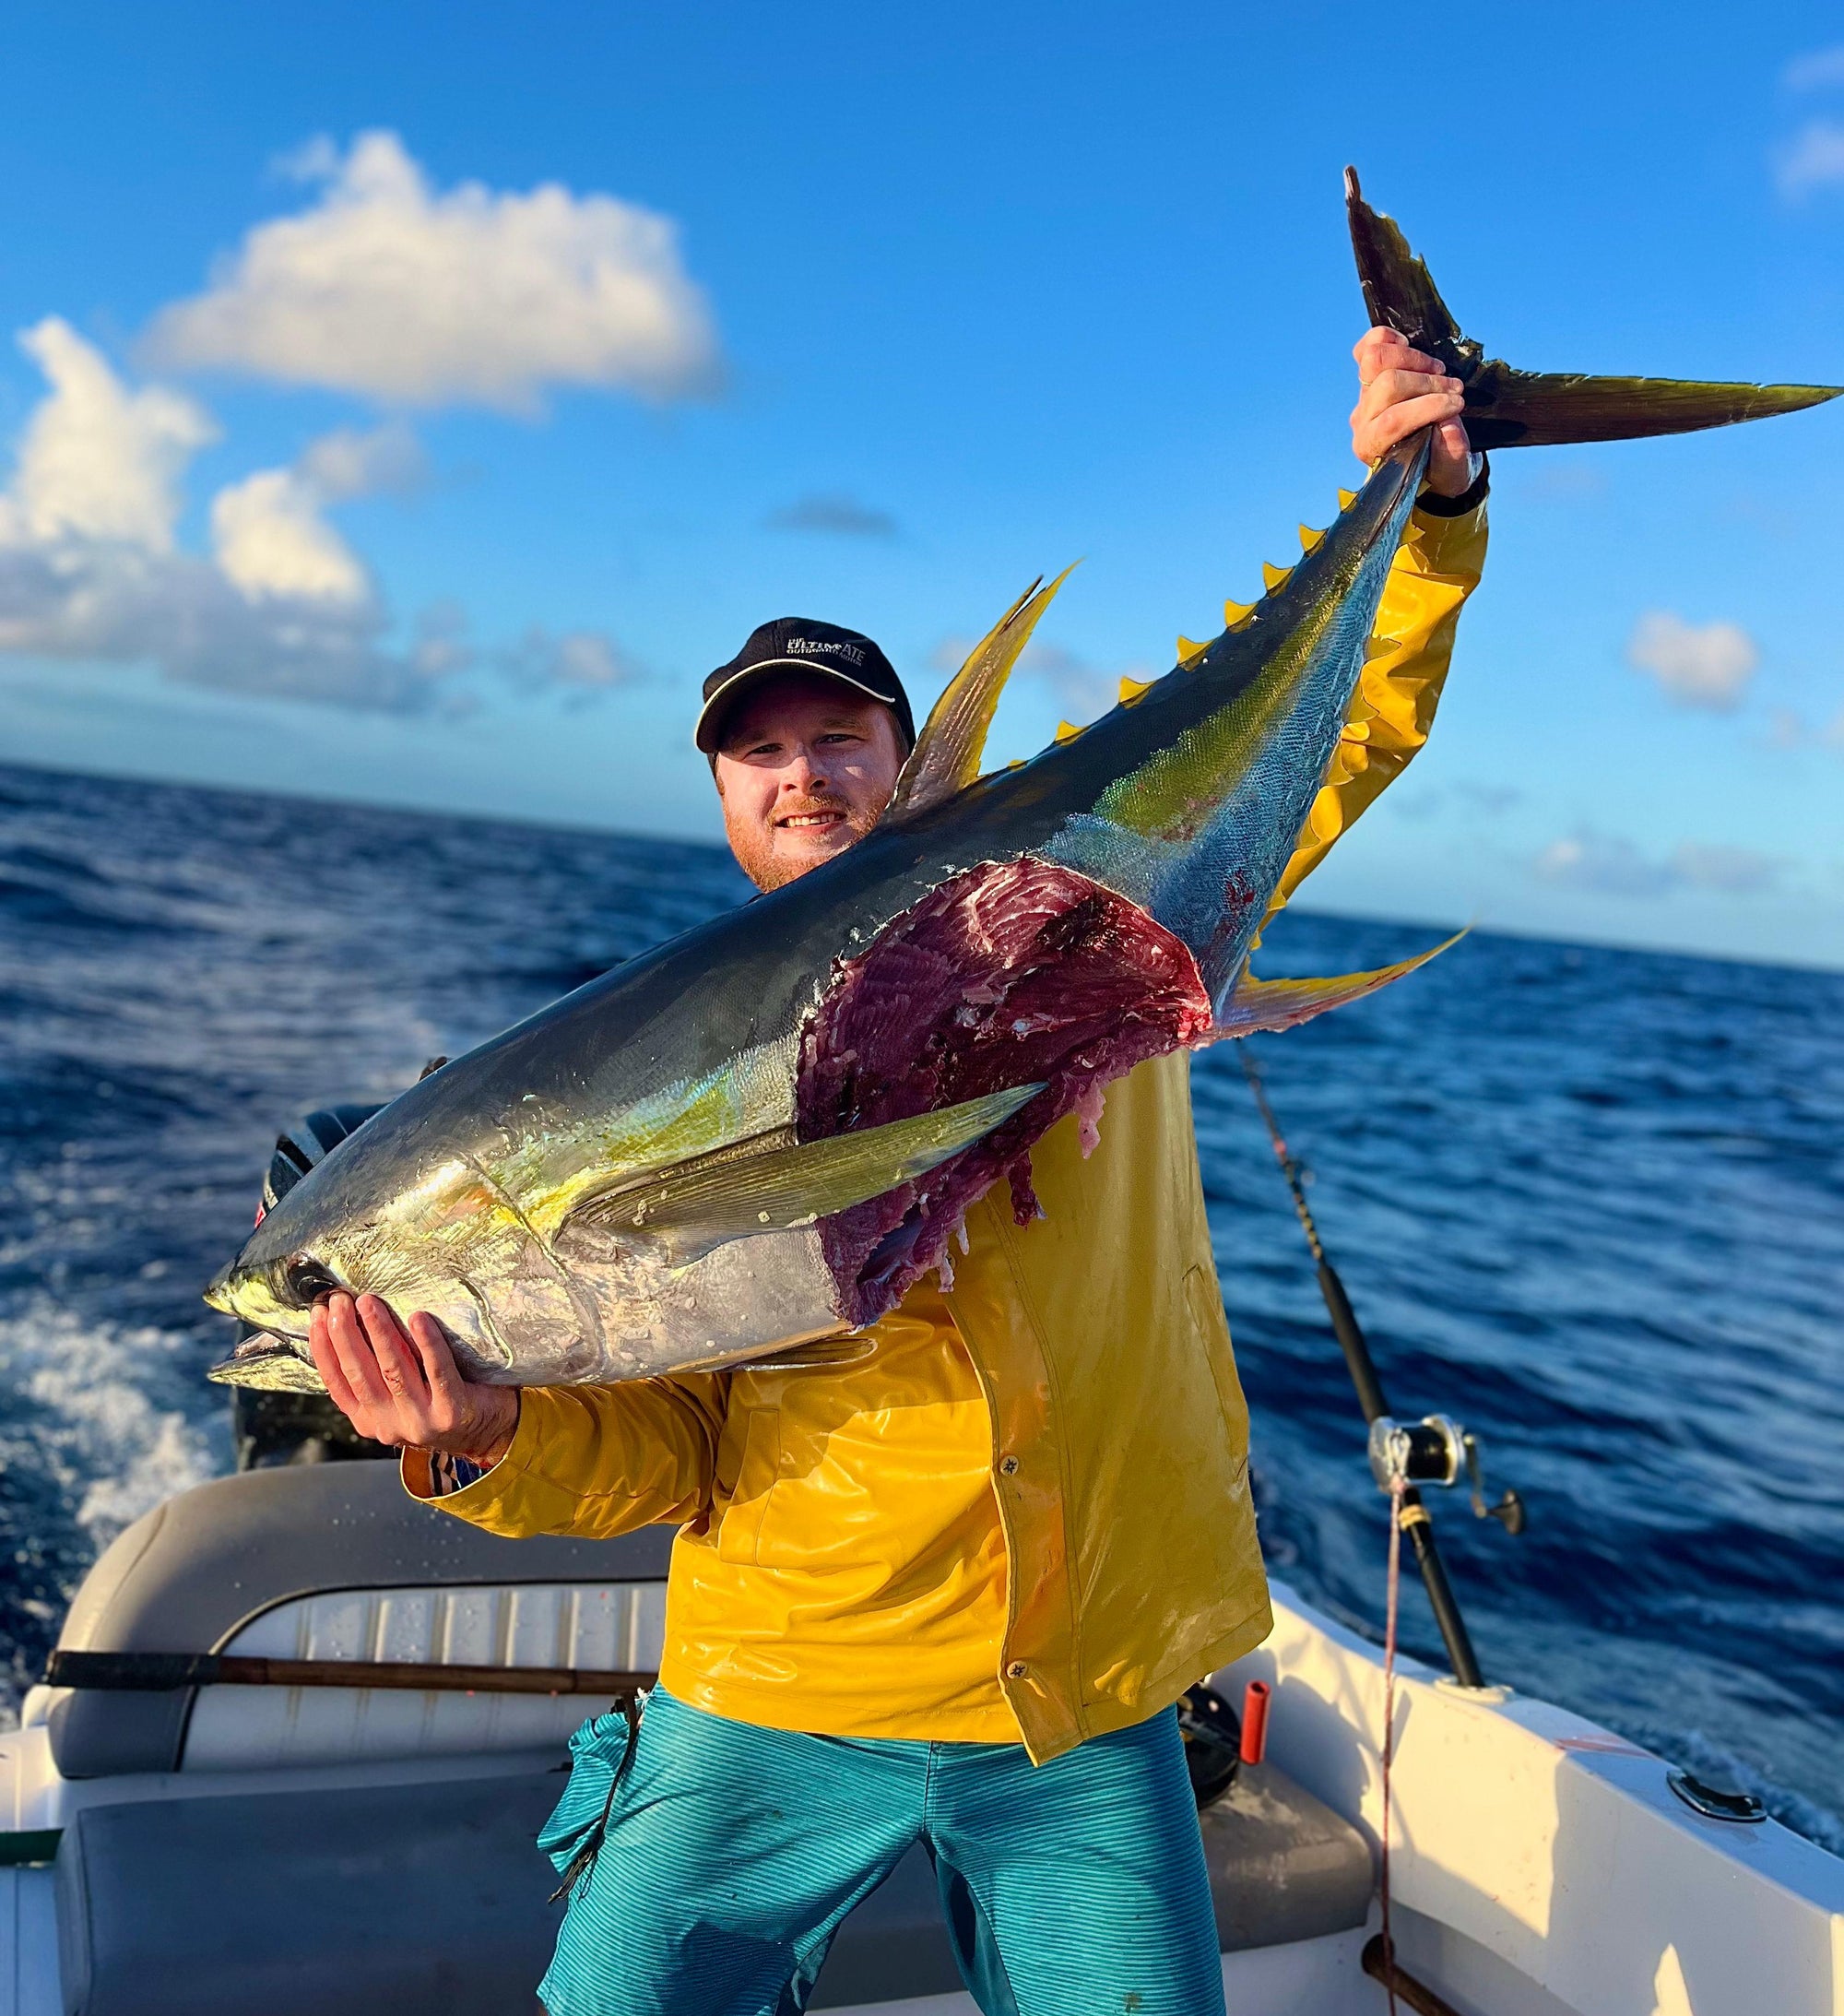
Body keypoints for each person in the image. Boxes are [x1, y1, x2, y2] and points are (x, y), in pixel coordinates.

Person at [303, 328, 1489, 2016]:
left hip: (1072, 1680)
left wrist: (1428, 505)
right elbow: (671, 1444)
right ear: (721, 789)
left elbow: (1343, 736)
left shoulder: (1077, 919)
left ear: (904, 751)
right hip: (781, 1665)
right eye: (760, 748)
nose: (805, 771)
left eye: (842, 732)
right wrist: (480, 1437)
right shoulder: (644, 1072)